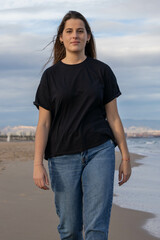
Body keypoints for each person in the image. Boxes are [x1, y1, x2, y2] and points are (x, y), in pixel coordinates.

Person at [33, 10, 131, 240]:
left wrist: (125, 158)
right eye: (69, 31)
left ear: (88, 36)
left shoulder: (101, 71)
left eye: (80, 31)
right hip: (62, 156)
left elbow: (114, 118)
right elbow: (44, 124)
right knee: (69, 229)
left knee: (97, 227)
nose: (74, 35)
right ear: (61, 37)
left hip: (100, 150)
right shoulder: (50, 77)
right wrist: (38, 164)